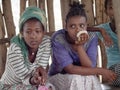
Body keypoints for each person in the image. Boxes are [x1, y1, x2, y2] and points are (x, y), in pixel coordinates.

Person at [48, 1, 117, 90]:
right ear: (65, 26)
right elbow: (70, 69)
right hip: (58, 77)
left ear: (86, 26)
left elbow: (89, 66)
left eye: (81, 25)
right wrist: (100, 70)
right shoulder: (59, 39)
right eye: (72, 26)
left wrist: (80, 47)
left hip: (83, 76)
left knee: (91, 78)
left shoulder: (92, 37)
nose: (78, 30)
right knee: (76, 78)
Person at [0, 6, 52, 90]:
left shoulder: (46, 43)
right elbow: (26, 78)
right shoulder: (15, 49)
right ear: (22, 33)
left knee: (49, 87)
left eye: (37, 31)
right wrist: (34, 80)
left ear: (43, 32)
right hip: (9, 86)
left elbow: (40, 69)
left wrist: (39, 76)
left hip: (31, 83)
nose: (33, 36)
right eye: (28, 32)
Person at [96, 0, 120, 87]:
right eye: (111, 8)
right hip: (114, 70)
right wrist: (101, 30)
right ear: (106, 12)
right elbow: (84, 29)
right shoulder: (104, 28)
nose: (116, 11)